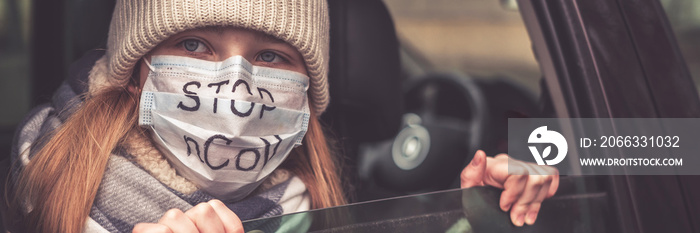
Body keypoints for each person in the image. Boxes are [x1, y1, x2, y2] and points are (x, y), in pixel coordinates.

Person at [5, 0, 558, 232]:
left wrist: (483, 213)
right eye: (195, 44)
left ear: (306, 95)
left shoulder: (309, 211)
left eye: (271, 56)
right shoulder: (35, 191)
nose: (238, 87)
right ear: (135, 69)